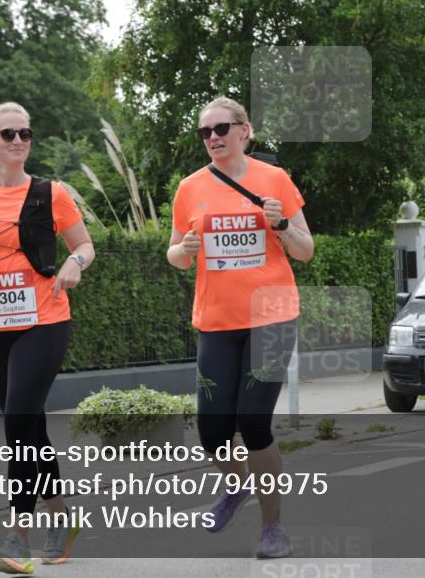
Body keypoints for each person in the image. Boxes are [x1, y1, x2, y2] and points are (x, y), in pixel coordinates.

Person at [0, 102, 95, 573]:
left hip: (44, 320)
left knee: (17, 423)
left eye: (24, 134)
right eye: (7, 135)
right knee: (31, 426)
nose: (17, 142)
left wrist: (76, 264)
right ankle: (61, 519)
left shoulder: (52, 194)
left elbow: (84, 245)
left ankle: (18, 537)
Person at [167, 97, 314, 558]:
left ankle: (273, 528)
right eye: (205, 131)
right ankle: (237, 486)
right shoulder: (190, 188)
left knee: (252, 422)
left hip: (271, 317)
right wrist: (185, 248)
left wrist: (283, 224)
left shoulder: (274, 179)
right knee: (212, 431)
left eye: (222, 128)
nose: (213, 137)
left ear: (244, 130)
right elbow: (174, 254)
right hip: (216, 320)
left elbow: (305, 250)